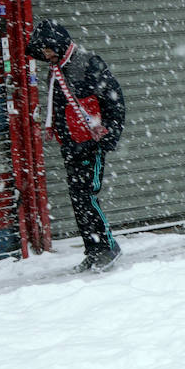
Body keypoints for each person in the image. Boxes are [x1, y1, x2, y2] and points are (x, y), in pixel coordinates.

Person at [26, 19, 127, 273]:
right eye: (43, 50)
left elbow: (114, 99)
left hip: (91, 144)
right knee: (78, 199)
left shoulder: (87, 63)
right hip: (71, 145)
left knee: (87, 196)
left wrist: (110, 134)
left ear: (58, 44)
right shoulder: (56, 69)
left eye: (48, 48)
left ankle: (108, 248)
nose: (46, 54)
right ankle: (93, 251)